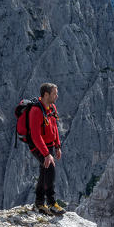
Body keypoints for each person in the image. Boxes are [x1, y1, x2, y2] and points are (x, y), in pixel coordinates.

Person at [30, 82, 65, 215]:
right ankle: (51, 203)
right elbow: (35, 135)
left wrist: (57, 146)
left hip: (49, 145)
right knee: (49, 168)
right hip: (37, 146)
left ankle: (39, 203)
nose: (57, 96)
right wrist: (46, 154)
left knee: (44, 172)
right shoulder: (36, 111)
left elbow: (54, 127)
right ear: (46, 94)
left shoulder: (52, 108)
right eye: (54, 93)